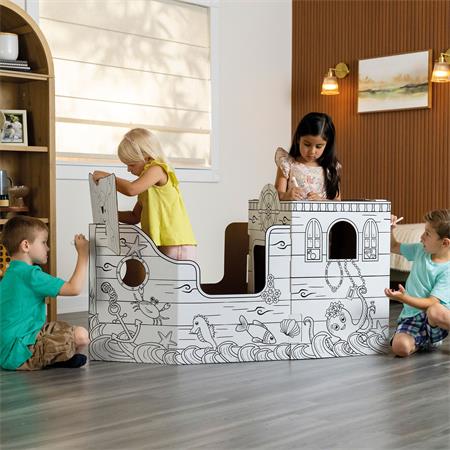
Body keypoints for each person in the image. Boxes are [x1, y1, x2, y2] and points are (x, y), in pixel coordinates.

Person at [0, 216, 90, 370]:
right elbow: (74, 288)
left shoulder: (11, 272)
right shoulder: (31, 275)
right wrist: (83, 254)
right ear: (26, 245)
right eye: (43, 242)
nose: (47, 248)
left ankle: (56, 357)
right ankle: (50, 360)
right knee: (81, 336)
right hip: (19, 352)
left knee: (62, 329)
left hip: (11, 345)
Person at [92, 128, 196, 260]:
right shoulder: (146, 186)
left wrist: (108, 178)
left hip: (176, 242)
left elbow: (131, 189)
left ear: (147, 158)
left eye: (131, 165)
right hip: (163, 243)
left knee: (170, 274)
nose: (128, 169)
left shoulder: (157, 169)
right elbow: (135, 217)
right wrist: (109, 214)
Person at [385, 209, 450, 357]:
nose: (421, 237)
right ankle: (423, 341)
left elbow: (431, 303)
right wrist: (390, 229)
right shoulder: (420, 250)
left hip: (436, 320)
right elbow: (393, 246)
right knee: (399, 347)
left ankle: (428, 338)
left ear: (445, 243)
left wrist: (404, 298)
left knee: (434, 310)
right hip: (412, 318)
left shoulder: (448, 270)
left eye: (427, 234)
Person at [274, 112, 341, 201]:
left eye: (318, 146)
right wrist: (286, 195)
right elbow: (276, 195)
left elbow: (337, 202)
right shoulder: (287, 164)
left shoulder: (330, 168)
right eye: (307, 144)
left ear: (327, 145)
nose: (312, 151)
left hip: (321, 210)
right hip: (294, 210)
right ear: (298, 139)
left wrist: (322, 201)